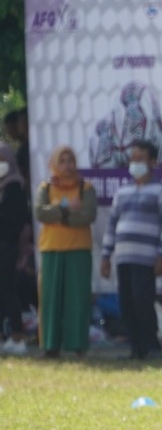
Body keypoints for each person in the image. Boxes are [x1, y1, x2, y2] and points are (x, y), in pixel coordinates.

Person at [100, 139, 162, 360]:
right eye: (132, 159)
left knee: (143, 303)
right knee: (126, 305)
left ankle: (152, 348)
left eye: (140, 159)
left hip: (146, 259)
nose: (135, 163)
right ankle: (135, 349)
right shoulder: (122, 192)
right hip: (123, 257)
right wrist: (106, 255)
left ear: (152, 162)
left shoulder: (161, 191)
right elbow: (112, 225)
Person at [33, 146, 98, 358]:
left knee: (77, 298)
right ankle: (50, 345)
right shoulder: (45, 187)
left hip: (78, 249)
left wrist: (59, 216)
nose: (68, 166)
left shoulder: (85, 188)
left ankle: (78, 344)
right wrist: (67, 209)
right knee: (50, 299)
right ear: (53, 165)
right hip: (51, 249)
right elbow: (40, 213)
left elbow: (87, 215)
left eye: (71, 160)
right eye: (62, 161)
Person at [0, 143, 31, 355]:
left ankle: (18, 335)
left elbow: (12, 221)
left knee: (7, 289)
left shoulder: (15, 187)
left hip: (7, 245)